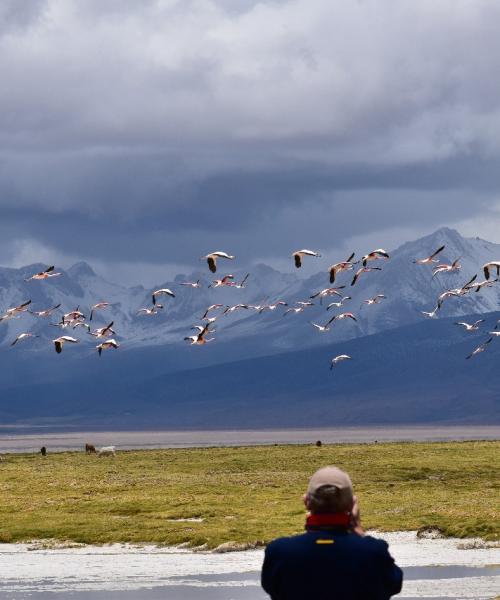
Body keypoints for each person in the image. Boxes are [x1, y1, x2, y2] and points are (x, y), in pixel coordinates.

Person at [261, 466, 403, 599]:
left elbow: (270, 586)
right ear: (352, 504)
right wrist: (359, 532)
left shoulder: (280, 553)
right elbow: (394, 583)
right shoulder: (372, 553)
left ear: (306, 501)